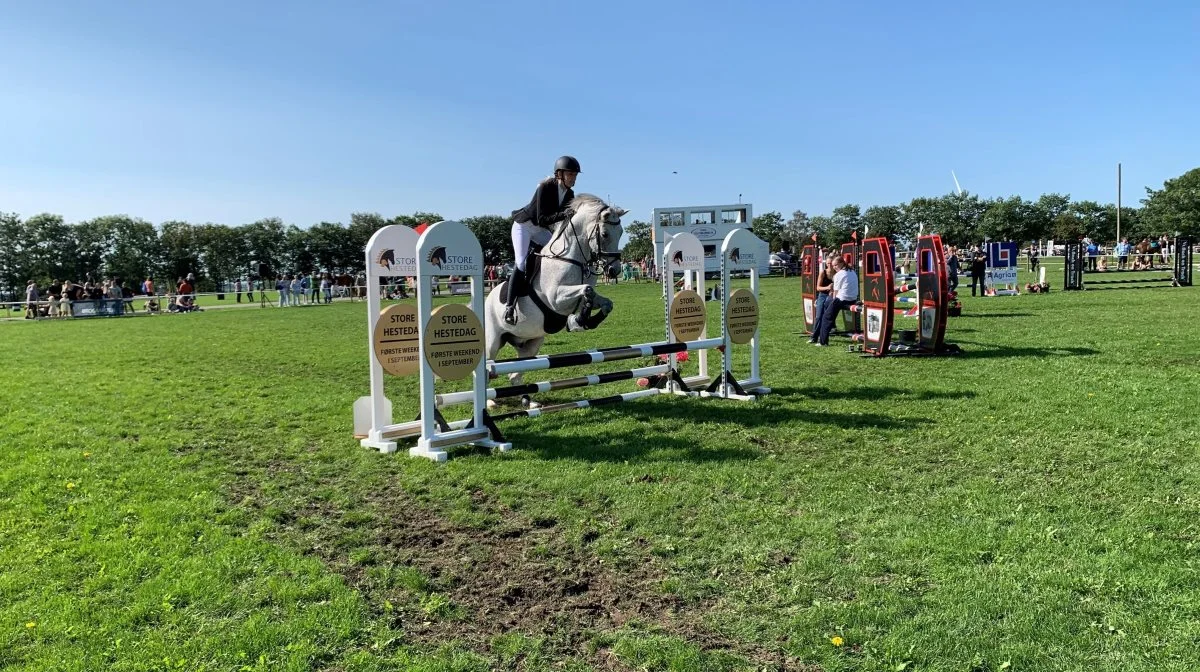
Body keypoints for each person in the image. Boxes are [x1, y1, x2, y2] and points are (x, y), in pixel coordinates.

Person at [503, 155, 580, 324]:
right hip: (524, 226)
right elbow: (542, 218)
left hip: (540, 230)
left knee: (559, 253)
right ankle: (509, 307)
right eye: (570, 174)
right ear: (559, 174)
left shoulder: (570, 193)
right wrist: (564, 214)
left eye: (575, 175)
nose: (573, 178)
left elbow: (563, 218)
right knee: (521, 263)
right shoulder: (545, 186)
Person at [814, 256, 858, 346]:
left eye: (835, 265)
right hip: (853, 299)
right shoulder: (852, 271)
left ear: (842, 263)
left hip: (842, 299)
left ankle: (823, 342)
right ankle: (832, 326)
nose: (834, 267)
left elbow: (836, 293)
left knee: (826, 317)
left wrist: (832, 304)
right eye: (833, 265)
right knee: (828, 308)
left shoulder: (838, 274)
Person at [808, 253, 835, 343]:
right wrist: (828, 287)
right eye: (828, 263)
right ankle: (814, 337)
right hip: (822, 295)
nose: (830, 265)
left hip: (833, 296)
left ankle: (825, 335)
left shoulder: (837, 273)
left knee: (827, 316)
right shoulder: (822, 273)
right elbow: (818, 288)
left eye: (831, 263)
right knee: (819, 316)